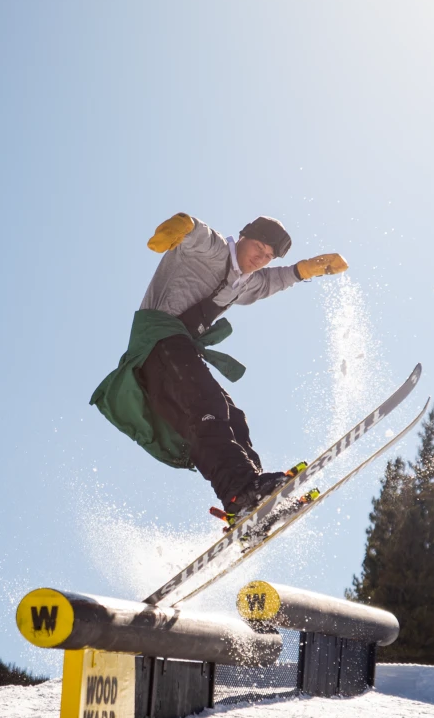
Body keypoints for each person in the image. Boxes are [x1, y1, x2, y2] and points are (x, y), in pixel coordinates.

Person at [90, 213, 348, 519]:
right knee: (207, 404)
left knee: (233, 418)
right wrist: (182, 225)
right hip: (157, 341)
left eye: (268, 256)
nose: (261, 259)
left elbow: (272, 282)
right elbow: (196, 232)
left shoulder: (245, 282)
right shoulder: (212, 248)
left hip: (176, 351)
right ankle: (242, 491)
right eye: (259, 248)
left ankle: (252, 502)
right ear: (243, 237)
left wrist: (304, 270)